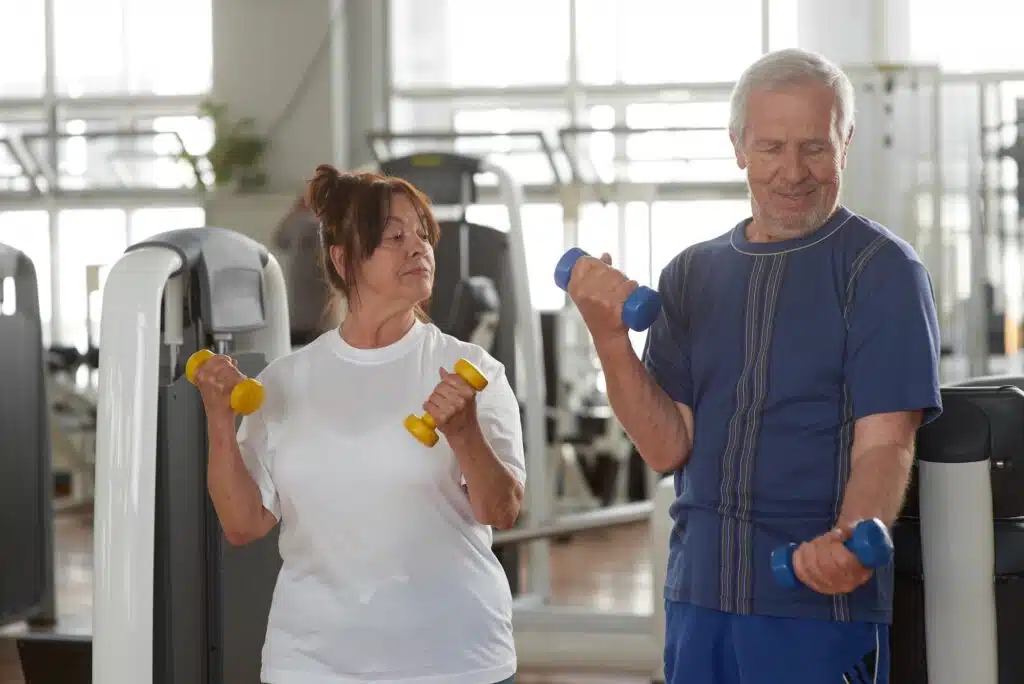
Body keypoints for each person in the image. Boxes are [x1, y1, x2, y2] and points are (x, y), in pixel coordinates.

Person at [564, 48, 942, 684]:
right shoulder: (689, 274)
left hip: (816, 602)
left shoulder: (881, 271)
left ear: (845, 143)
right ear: (738, 146)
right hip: (701, 592)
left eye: (814, 148)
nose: (793, 172)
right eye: (771, 148)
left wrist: (855, 535)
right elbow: (665, 447)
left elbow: (886, 444)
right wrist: (609, 339)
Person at [193, 165, 526, 684]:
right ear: (343, 259)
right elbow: (243, 524)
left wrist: (464, 432)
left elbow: (502, 511)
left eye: (423, 234)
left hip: (454, 659)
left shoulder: (473, 372)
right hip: (311, 662)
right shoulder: (287, 381)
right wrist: (218, 418)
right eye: (395, 237)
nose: (418, 248)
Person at [272, 194, 337, 346]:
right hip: (298, 314)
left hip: (319, 317)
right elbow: (279, 239)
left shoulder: (325, 225)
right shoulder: (298, 223)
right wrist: (295, 211)